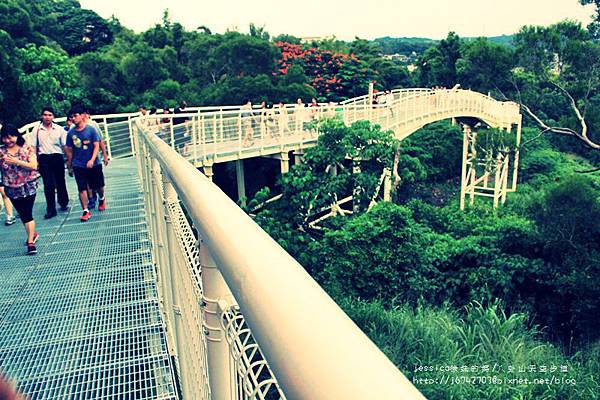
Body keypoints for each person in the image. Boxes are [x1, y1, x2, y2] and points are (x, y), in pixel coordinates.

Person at [0, 124, 40, 255]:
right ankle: (32, 234)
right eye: (5, 138)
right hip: (11, 188)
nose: (8, 141)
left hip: (28, 185)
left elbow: (34, 165)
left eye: (10, 137)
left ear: (17, 135)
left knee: (27, 213)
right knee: (23, 214)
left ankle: (30, 243)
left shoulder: (26, 148)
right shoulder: (1, 152)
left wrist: (16, 161)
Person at [64, 105, 106, 222]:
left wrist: (92, 160)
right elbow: (69, 150)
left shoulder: (91, 129)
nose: (73, 118)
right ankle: (85, 211)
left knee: (98, 186)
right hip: (79, 164)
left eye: (76, 116)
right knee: (81, 188)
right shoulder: (70, 133)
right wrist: (70, 166)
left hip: (94, 163)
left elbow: (96, 145)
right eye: (71, 117)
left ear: (82, 115)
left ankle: (102, 198)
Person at [32, 106, 69, 219]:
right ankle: (51, 209)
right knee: (48, 185)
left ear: (53, 116)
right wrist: (35, 161)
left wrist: (69, 160)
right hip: (44, 158)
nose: (47, 117)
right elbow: (33, 147)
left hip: (57, 157)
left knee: (60, 181)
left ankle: (63, 202)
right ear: (41, 116)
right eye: (45, 115)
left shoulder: (59, 129)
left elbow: (64, 146)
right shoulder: (37, 130)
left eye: (50, 115)